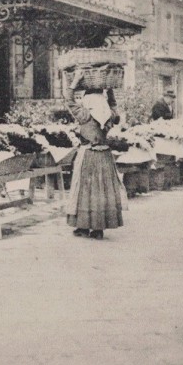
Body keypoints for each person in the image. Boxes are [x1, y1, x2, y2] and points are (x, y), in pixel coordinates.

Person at [64, 72, 123, 240]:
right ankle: (98, 229)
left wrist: (74, 82)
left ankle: (83, 227)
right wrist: (109, 89)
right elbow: (113, 104)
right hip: (105, 156)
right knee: (102, 190)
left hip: (89, 154)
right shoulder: (111, 116)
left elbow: (68, 101)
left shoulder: (85, 115)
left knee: (85, 190)